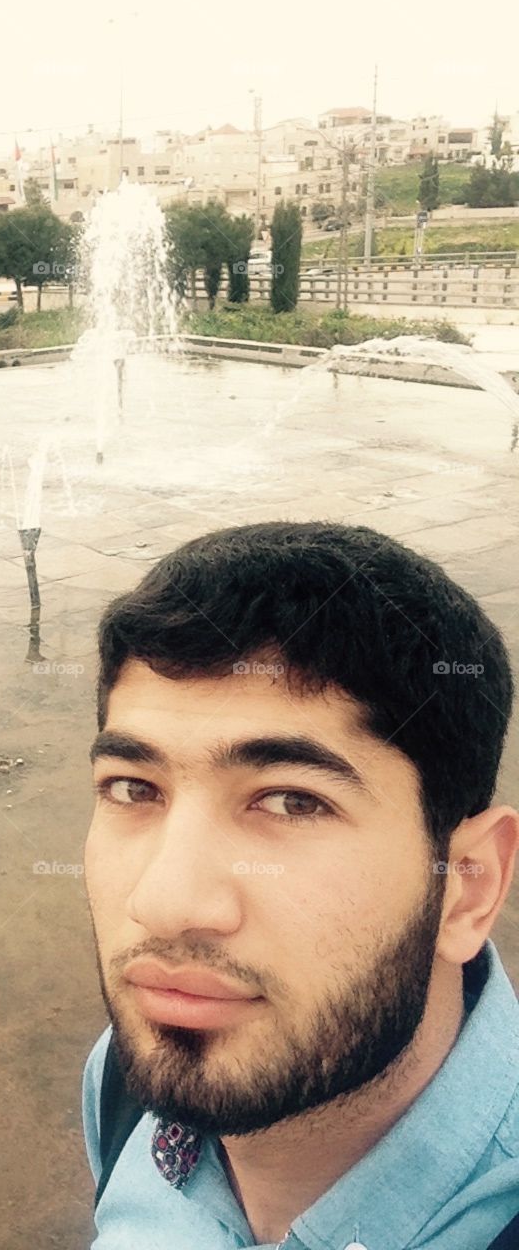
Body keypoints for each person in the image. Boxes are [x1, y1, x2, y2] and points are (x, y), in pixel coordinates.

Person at [82, 521, 519, 1249]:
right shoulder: (132, 1073)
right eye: (134, 787)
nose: (162, 905)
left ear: (467, 884)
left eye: (291, 801)